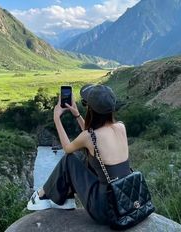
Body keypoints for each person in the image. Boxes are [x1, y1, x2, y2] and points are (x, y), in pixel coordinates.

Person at [34, 84, 130, 225]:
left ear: (90, 109)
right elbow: (93, 136)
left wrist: (57, 119)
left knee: (70, 160)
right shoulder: (121, 127)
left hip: (104, 209)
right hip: (122, 201)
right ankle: (65, 197)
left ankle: (41, 195)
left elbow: (67, 148)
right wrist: (77, 114)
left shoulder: (89, 137)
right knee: (91, 160)